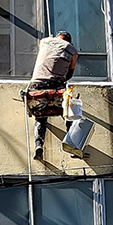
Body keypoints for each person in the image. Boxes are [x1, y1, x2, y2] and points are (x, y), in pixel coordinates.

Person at [25, 31, 78, 159]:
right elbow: (69, 74)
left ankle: (39, 145)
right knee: (68, 113)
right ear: (69, 41)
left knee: (40, 116)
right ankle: (71, 145)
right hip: (56, 86)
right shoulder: (72, 50)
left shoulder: (44, 41)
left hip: (36, 86)